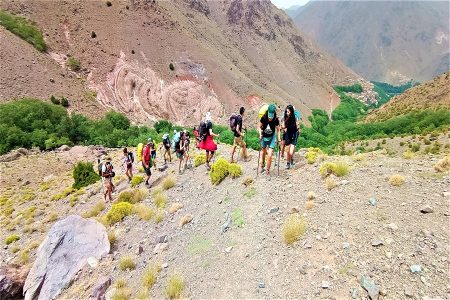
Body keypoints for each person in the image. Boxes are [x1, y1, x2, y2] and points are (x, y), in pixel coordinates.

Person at [258, 103, 281, 178]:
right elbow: (259, 127)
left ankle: (268, 170)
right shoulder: (264, 117)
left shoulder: (276, 119)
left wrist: (279, 138)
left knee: (270, 155)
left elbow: (278, 129)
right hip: (264, 137)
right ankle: (262, 165)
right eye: (269, 117)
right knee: (263, 153)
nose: (270, 118)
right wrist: (260, 133)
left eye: (271, 117)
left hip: (272, 138)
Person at [282, 105, 299, 169]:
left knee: (291, 152)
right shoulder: (286, 116)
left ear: (291, 112)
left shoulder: (295, 118)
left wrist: (297, 128)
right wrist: (283, 126)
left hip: (294, 135)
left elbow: (297, 126)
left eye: (288, 112)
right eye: (286, 112)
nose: (287, 113)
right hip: (288, 134)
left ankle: (291, 158)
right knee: (288, 151)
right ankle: (288, 163)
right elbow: (283, 125)